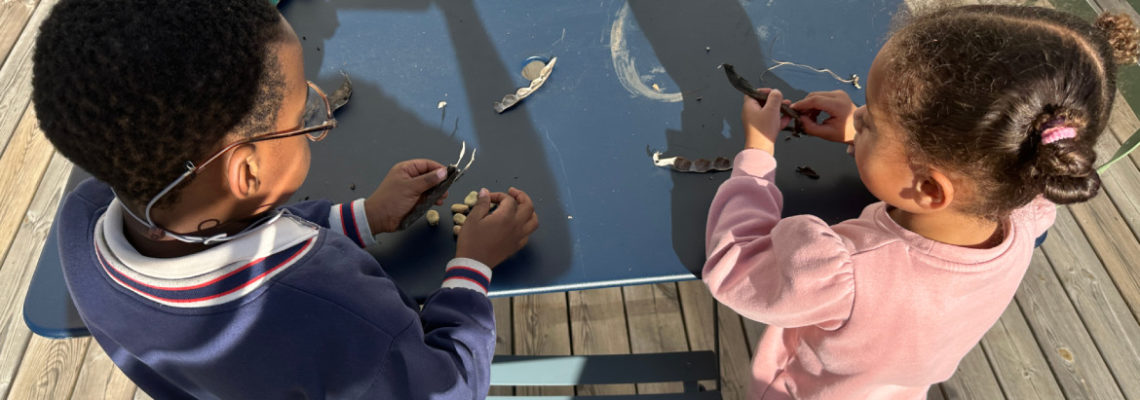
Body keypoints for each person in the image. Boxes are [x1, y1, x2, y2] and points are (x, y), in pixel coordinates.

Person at [32, 0, 537, 398]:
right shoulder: (340, 311)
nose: (319, 119)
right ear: (247, 171)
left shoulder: (82, 219)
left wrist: (364, 217)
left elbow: (235, 226)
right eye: (302, 117)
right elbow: (447, 388)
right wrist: (472, 268)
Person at [702, 5, 1139, 399]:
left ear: (930, 189)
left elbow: (735, 267)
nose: (858, 114)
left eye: (871, 119)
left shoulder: (843, 274)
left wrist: (757, 154)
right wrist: (861, 133)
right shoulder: (1025, 210)